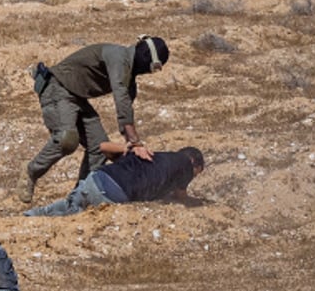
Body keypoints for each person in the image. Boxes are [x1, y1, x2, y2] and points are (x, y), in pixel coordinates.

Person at [18, 35, 169, 204]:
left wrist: (131, 151)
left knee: (99, 148)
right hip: (57, 88)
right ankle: (31, 171)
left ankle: (79, 197)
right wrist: (136, 143)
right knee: (66, 139)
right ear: (148, 60)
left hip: (77, 97)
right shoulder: (119, 57)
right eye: (154, 68)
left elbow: (126, 113)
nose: (149, 72)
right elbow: (121, 98)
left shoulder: (129, 77)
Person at [25, 143, 204, 217]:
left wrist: (129, 146)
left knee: (69, 206)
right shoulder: (184, 165)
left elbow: (102, 146)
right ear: (193, 163)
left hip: (95, 179)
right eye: (197, 174)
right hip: (112, 195)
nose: (193, 177)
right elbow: (181, 197)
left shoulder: (149, 155)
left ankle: (30, 215)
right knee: (73, 214)